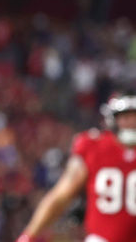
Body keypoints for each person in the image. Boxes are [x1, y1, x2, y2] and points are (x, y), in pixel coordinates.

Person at [17, 91, 136, 242]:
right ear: (112, 120)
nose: (132, 123)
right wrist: (29, 235)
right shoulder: (94, 146)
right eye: (126, 117)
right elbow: (61, 196)